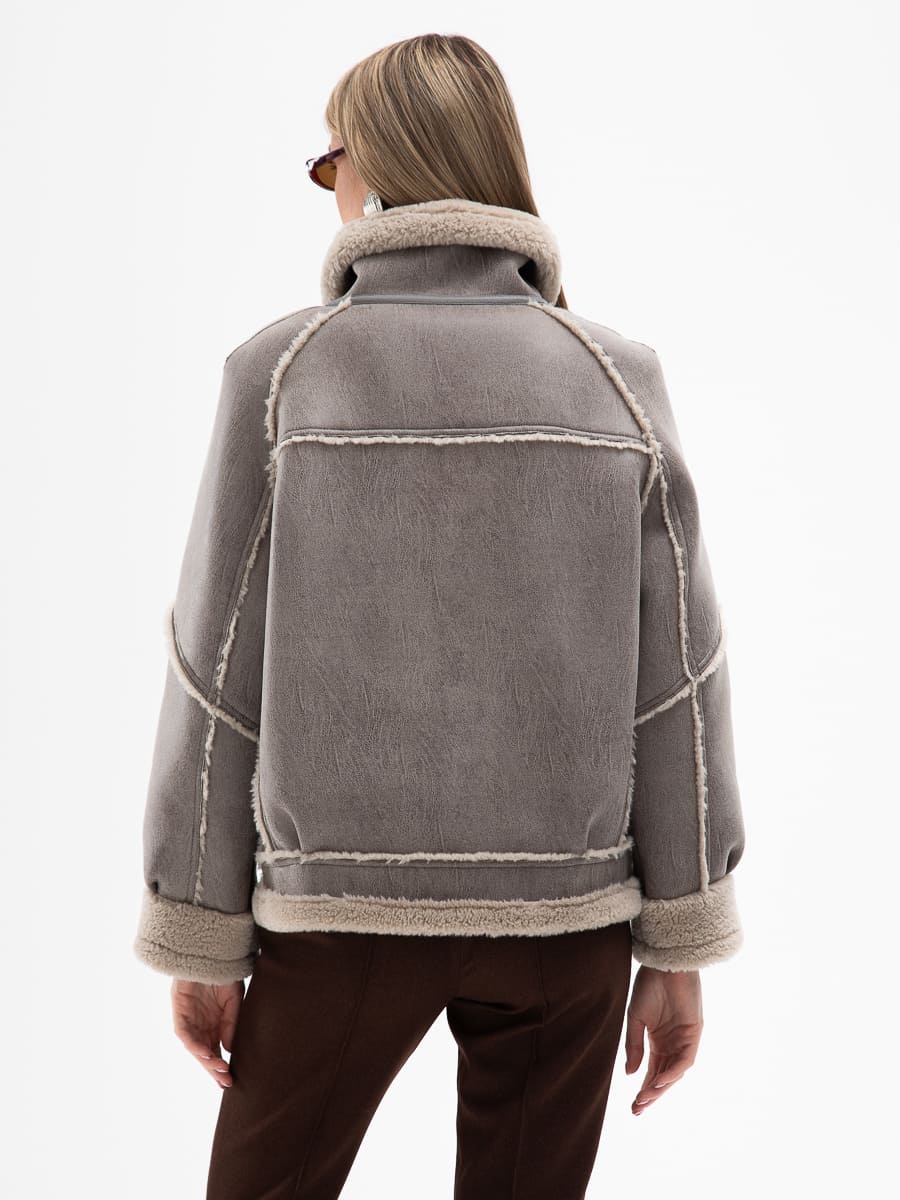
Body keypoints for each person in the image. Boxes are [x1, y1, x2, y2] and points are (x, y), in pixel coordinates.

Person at [133, 32, 746, 1200]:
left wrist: (200, 931)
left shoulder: (283, 374)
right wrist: (680, 940)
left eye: (330, 164)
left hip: (336, 925)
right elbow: (678, 685)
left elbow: (216, 672)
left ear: (374, 166)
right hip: (568, 931)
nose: (331, 190)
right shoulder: (615, 378)